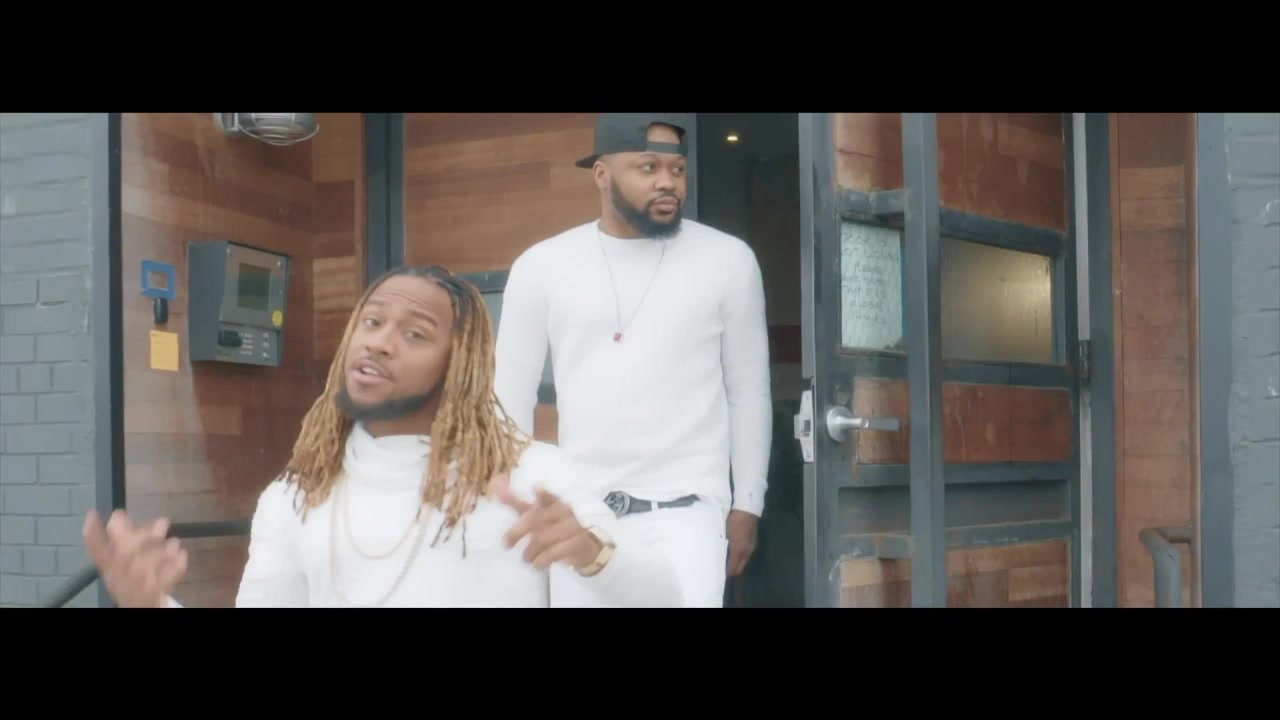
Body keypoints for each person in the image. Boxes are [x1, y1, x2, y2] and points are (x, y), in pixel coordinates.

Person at [81, 265, 684, 608]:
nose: (379, 342)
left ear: (458, 366)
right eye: (371, 322)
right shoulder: (295, 496)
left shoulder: (531, 475)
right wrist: (152, 604)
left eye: (414, 334)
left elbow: (665, 597)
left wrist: (592, 552)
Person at [493, 113, 772, 608]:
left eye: (677, 170)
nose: (668, 182)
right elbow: (508, 400)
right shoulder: (542, 266)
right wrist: (518, 500)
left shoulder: (727, 260)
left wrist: (748, 503)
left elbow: (748, 391)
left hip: (687, 513)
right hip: (580, 513)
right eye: (648, 168)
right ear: (602, 174)